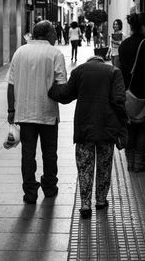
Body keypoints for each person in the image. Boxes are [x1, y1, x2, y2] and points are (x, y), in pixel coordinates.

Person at [48, 56, 128, 219]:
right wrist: (123, 123)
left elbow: (65, 95)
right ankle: (100, 201)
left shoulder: (79, 71)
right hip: (107, 128)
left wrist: (51, 89)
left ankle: (85, 204)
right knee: (104, 165)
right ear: (100, 61)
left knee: (85, 166)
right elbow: (119, 100)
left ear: (89, 61)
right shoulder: (114, 72)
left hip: (84, 127)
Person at [7, 20, 67, 204]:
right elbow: (62, 85)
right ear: (48, 34)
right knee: (49, 152)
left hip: (24, 113)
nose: (56, 37)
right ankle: (49, 187)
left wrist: (11, 110)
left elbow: (11, 85)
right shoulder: (55, 53)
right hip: (47, 113)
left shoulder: (20, 52)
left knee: (28, 153)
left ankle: (30, 193)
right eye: (55, 34)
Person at [119, 12, 145, 172]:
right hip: (143, 91)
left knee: (129, 127)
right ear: (143, 27)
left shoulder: (124, 45)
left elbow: (120, 68)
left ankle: (129, 162)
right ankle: (138, 162)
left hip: (126, 92)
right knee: (143, 127)